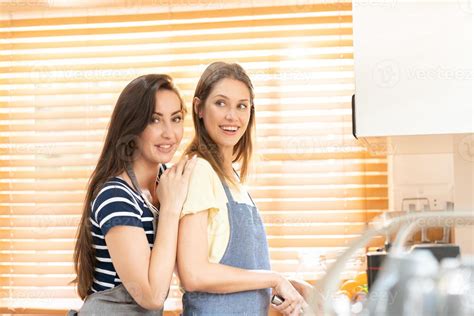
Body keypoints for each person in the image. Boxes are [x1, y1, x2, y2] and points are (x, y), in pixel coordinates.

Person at [177, 62, 308, 316]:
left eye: (241, 106)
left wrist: (284, 291)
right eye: (220, 103)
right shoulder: (200, 172)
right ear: (199, 108)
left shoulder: (232, 179)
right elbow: (194, 273)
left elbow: (236, 278)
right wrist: (272, 278)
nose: (232, 116)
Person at [70, 74, 196, 315]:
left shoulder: (167, 181)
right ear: (132, 126)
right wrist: (170, 209)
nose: (170, 133)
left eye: (176, 118)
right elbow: (151, 296)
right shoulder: (115, 196)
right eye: (155, 120)